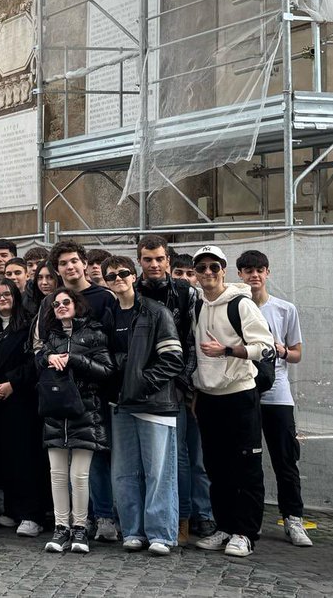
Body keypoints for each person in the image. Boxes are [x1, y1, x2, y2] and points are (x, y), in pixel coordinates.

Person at [190, 245, 273, 558]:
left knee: (247, 468)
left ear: (224, 269)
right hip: (209, 399)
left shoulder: (241, 304)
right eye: (202, 268)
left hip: (240, 394)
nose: (208, 273)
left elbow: (264, 347)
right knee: (216, 467)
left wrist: (227, 350)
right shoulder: (195, 304)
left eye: (214, 267)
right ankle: (224, 526)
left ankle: (245, 533)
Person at [101, 256, 183, 555]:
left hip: (155, 404)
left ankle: (161, 533)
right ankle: (133, 531)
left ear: (133, 276)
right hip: (120, 405)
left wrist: (141, 383)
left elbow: (173, 358)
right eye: (111, 276)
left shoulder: (155, 312)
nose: (118, 279)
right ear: (106, 282)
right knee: (124, 473)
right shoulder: (109, 315)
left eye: (123, 273)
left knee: (159, 472)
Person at [135, 234, 210, 544]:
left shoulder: (185, 292)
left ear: (168, 260)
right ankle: (144, 520)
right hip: (138, 385)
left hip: (176, 385)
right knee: (142, 458)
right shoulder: (132, 290)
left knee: (179, 455)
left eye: (159, 259)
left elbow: (193, 341)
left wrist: (182, 381)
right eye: (147, 259)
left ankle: (183, 518)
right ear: (139, 260)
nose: (154, 264)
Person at [45, 242, 119, 543]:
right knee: (61, 472)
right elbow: (39, 347)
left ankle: (101, 517)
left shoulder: (104, 298)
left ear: (85, 263)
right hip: (58, 403)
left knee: (91, 466)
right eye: (63, 263)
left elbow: (110, 353)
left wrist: (77, 360)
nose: (69, 267)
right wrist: (45, 358)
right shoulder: (49, 306)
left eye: (74, 261)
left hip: (92, 399)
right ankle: (71, 524)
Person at [237, 249, 310, 547]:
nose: (254, 275)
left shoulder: (285, 309)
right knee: (245, 462)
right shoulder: (235, 306)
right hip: (243, 391)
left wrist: (282, 351)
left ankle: (293, 518)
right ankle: (243, 523)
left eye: (260, 269)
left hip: (277, 394)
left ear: (267, 273)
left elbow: (297, 354)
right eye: (248, 270)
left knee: (285, 460)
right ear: (240, 274)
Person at [0, 279, 45, 538]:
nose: (2, 298)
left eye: (7, 294)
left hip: (20, 400)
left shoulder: (28, 325)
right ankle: (13, 509)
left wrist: (12, 382)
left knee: (25, 457)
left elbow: (33, 360)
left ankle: (32, 514)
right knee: (3, 455)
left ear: (15, 296)